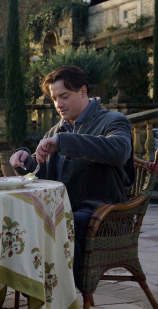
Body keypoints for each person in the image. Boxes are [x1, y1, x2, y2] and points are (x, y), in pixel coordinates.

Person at [9, 65, 135, 283]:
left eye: (64, 96)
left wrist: (63, 143)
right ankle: (31, 293)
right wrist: (25, 160)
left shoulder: (113, 121)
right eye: (54, 98)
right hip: (64, 212)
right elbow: (44, 177)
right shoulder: (57, 130)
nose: (58, 104)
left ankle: (56, 304)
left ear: (83, 92)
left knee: (64, 224)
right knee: (17, 221)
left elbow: (120, 150)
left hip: (102, 216)